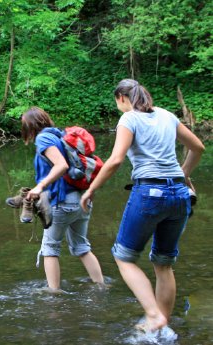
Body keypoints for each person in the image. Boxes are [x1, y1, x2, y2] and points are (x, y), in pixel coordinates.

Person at [80, 79, 205, 331]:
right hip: (180, 194)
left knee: (123, 257)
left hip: (149, 192)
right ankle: (161, 324)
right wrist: (184, 174)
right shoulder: (168, 116)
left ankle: (153, 315)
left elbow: (115, 161)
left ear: (122, 98)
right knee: (163, 263)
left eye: (117, 102)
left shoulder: (129, 119)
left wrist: (91, 189)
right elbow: (198, 147)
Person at [21, 106, 104, 291]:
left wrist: (40, 187)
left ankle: (54, 294)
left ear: (30, 125)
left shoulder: (43, 138)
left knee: (49, 249)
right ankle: (101, 286)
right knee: (82, 247)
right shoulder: (60, 136)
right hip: (82, 201)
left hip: (62, 202)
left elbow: (61, 166)